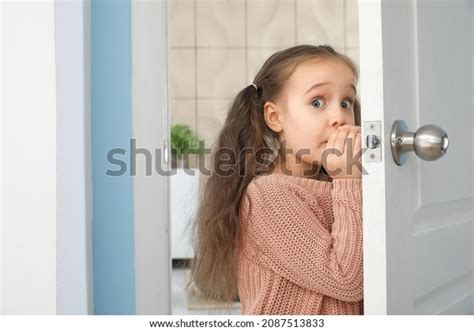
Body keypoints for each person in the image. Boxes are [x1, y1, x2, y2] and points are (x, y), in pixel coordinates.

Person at [187, 44, 364, 315]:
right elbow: (347, 281)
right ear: (275, 117)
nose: (339, 116)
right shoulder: (269, 195)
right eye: (317, 102)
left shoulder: (342, 184)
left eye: (346, 102)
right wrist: (349, 178)